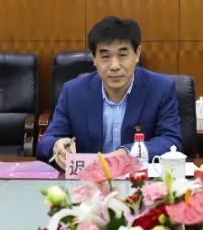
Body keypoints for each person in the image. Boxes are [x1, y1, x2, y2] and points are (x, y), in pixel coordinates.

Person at [37, 16, 182, 168]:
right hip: (88, 178)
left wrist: (127, 153)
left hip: (138, 178)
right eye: (105, 56)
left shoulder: (161, 89)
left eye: (122, 55)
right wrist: (57, 145)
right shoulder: (73, 92)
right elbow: (47, 141)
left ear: (137, 54)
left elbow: (171, 140)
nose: (114, 66)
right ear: (94, 58)